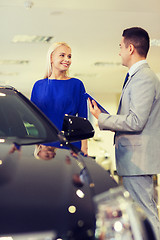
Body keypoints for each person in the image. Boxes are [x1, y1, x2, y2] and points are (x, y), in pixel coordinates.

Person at [89, 27, 160, 238]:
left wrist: (101, 118)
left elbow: (136, 122)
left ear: (130, 48)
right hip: (134, 161)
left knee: (147, 216)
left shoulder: (144, 78)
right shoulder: (136, 76)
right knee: (142, 214)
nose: (119, 51)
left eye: (120, 47)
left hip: (138, 161)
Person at [31, 42, 88, 155]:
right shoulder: (39, 85)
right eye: (62, 55)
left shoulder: (77, 84)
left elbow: (83, 120)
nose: (67, 59)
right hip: (45, 144)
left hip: (71, 145)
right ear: (51, 57)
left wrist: (84, 147)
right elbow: (32, 118)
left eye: (69, 56)